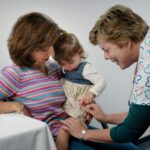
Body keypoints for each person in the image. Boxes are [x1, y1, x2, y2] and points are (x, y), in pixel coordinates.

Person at [0, 10, 139, 150]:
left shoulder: (55, 68)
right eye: (44, 49)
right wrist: (16, 106)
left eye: (50, 46)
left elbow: (73, 89)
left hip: (76, 127)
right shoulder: (14, 74)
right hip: (53, 138)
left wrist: (85, 104)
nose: (50, 53)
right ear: (28, 47)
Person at [61, 4, 150, 147]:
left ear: (126, 42)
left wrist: (83, 133)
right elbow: (140, 116)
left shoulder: (147, 69)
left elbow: (129, 131)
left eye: (106, 50)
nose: (105, 57)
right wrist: (105, 117)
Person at [53, 32, 106, 122]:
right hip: (67, 106)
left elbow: (102, 82)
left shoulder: (85, 68)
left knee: (71, 127)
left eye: (71, 62)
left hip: (80, 107)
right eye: (63, 64)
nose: (67, 67)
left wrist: (91, 93)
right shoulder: (63, 68)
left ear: (80, 52)